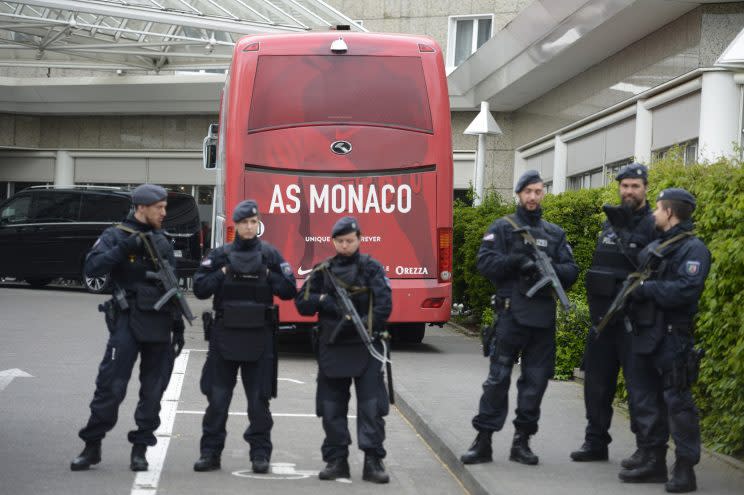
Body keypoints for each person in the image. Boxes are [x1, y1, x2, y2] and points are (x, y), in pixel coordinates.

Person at [460, 170, 578, 466]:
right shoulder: (502, 228)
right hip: (510, 316)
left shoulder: (554, 233)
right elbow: (484, 262)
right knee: (497, 380)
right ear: (519, 194)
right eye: (528, 191)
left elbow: (571, 272)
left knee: (535, 383)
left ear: (543, 194)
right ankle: (483, 440)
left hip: (542, 320)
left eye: (538, 191)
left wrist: (549, 267)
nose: (533, 197)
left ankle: (522, 441)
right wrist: (516, 262)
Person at [71, 184, 187, 472]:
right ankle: (92, 445)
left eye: (164, 207)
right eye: (158, 207)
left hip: (159, 323)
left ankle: (140, 449)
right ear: (141, 208)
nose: (164, 212)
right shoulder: (115, 235)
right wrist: (124, 248)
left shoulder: (162, 240)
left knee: (153, 390)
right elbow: (92, 268)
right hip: (127, 319)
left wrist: (178, 325)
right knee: (111, 386)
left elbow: (171, 286)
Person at [191, 200, 296, 473]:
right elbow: (200, 288)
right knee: (217, 400)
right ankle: (210, 453)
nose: (249, 227)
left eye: (253, 222)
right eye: (244, 222)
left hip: (259, 338)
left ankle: (260, 454)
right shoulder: (221, 255)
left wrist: (267, 273)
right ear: (235, 225)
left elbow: (289, 289)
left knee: (258, 402)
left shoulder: (270, 255)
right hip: (224, 336)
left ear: (257, 223)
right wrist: (224, 272)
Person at [618, 188, 710, 493]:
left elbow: (686, 290)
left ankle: (685, 469)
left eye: (658, 209)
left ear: (669, 212)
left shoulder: (694, 249)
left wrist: (647, 290)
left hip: (672, 336)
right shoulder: (655, 247)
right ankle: (653, 460)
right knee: (645, 400)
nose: (654, 214)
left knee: (677, 402)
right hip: (646, 333)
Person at [570, 163, 661, 465]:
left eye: (635, 186)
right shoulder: (610, 224)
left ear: (646, 188)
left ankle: (644, 449)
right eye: (625, 186)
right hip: (602, 322)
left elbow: (656, 272)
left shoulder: (653, 226)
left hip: (633, 323)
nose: (629, 191)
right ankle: (595, 442)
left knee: (639, 389)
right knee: (596, 386)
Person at [295, 216, 393, 483]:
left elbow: (384, 304)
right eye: (340, 241)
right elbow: (302, 303)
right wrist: (324, 300)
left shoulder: (372, 268)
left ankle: (373, 461)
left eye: (350, 240)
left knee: (372, 408)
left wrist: (364, 324)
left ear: (359, 238)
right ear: (333, 242)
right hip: (333, 348)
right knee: (330, 408)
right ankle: (337, 460)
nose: (345, 245)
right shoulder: (323, 270)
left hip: (366, 346)